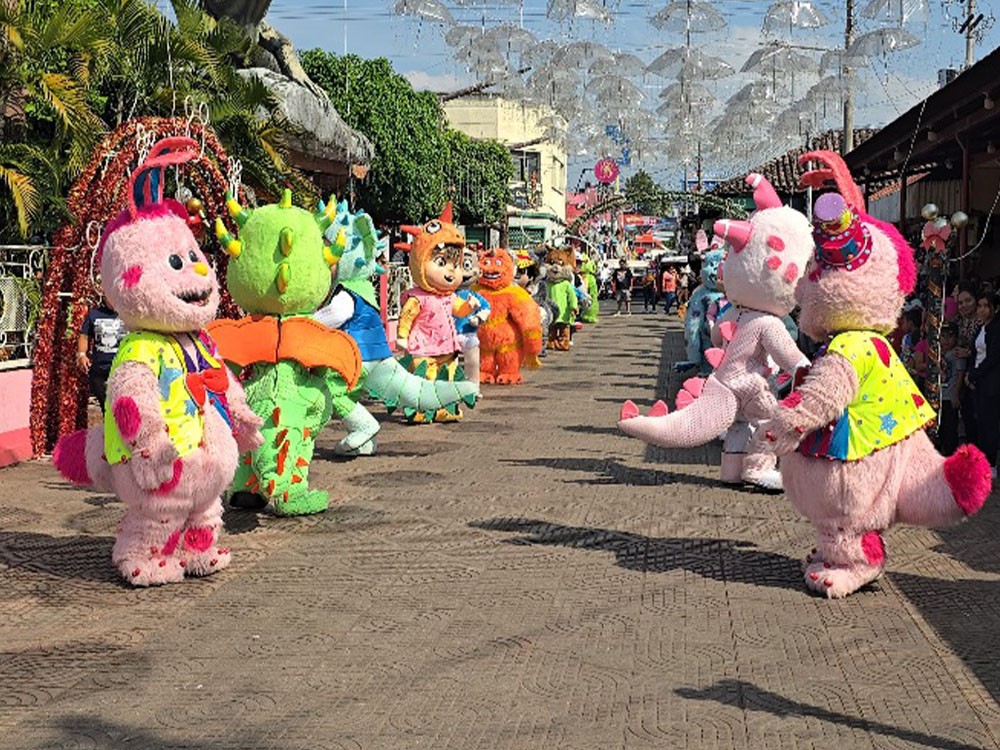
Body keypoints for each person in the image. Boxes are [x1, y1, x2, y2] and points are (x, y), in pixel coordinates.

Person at [968, 292, 1000, 475]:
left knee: (989, 424)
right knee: (980, 421)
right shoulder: (981, 328)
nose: (981, 309)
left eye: (985, 306)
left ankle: (992, 465)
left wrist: (975, 374)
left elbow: (993, 358)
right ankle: (983, 461)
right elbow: (976, 354)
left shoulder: (996, 329)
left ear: (994, 309)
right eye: (979, 306)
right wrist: (971, 374)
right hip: (979, 381)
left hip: (990, 383)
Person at [77, 299, 126, 412]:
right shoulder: (94, 314)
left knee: (121, 406)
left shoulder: (127, 314)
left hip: (122, 369)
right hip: (100, 370)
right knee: (106, 407)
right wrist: (82, 355)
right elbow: (84, 335)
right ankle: (108, 428)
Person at [936, 323, 965, 455]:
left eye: (950, 337)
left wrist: (955, 394)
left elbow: (960, 374)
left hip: (950, 395)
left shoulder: (957, 354)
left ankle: (950, 454)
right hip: (939, 395)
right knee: (940, 428)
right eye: (943, 337)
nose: (946, 340)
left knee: (950, 428)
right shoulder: (937, 353)